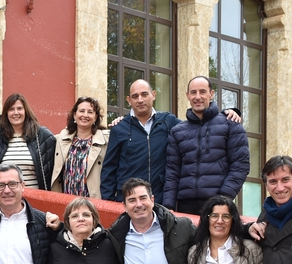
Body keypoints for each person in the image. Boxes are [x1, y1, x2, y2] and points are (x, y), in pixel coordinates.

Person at [100, 79, 241, 204]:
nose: (140, 100)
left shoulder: (169, 121)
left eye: (144, 94)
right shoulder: (119, 128)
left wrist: (227, 112)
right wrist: (109, 202)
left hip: (160, 200)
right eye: (135, 96)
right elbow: (109, 169)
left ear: (153, 95)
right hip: (129, 201)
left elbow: (197, 125)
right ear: (129, 100)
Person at [163, 76, 250, 214]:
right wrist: (168, 206)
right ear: (187, 95)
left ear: (211, 94)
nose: (197, 97)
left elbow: (240, 165)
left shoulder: (230, 124)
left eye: (202, 92)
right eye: (193, 92)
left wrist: (223, 199)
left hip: (218, 204)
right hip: (185, 206)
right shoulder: (177, 131)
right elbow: (172, 172)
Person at [0, 93, 56, 190]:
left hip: (35, 197)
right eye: (11, 109)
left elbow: (54, 171)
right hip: (7, 196)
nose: (16, 112)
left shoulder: (42, 136)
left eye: (19, 108)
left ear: (26, 111)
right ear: (6, 113)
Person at [50, 97, 109, 198]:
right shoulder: (60, 139)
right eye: (82, 111)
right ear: (74, 115)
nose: (85, 115)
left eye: (90, 112)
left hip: (94, 201)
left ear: (95, 117)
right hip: (66, 201)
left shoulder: (106, 140)